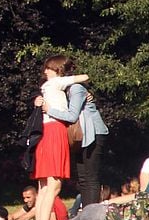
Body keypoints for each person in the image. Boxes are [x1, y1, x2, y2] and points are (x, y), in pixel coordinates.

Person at [30, 55, 86, 220]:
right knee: (54, 186)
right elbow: (84, 77)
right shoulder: (55, 84)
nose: (45, 71)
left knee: (45, 187)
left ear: (56, 68)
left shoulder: (46, 88)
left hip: (46, 133)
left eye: (48, 68)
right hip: (55, 132)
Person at [42, 65, 109, 207]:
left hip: (93, 133)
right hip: (81, 138)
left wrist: (50, 110)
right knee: (83, 178)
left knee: (90, 177)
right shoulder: (67, 91)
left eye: (49, 69)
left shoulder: (75, 89)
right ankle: (86, 215)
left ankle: (91, 217)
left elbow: (72, 116)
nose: (45, 72)